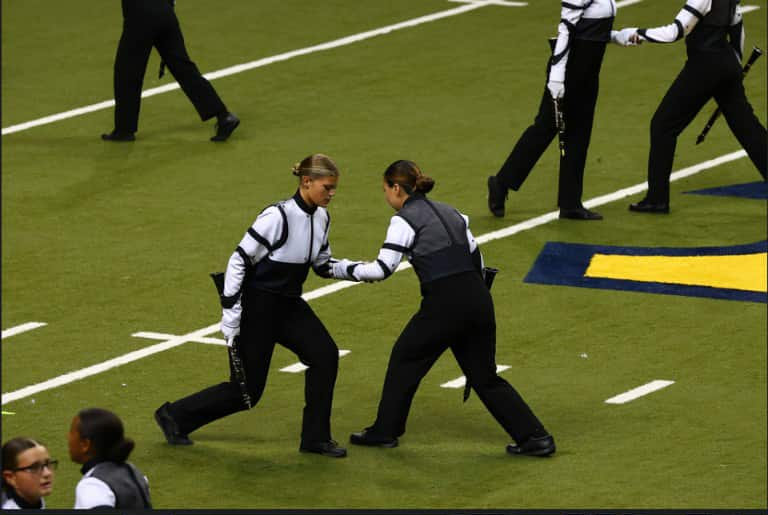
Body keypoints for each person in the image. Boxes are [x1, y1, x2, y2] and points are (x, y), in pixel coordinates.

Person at [331, 160, 555, 456]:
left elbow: (382, 269)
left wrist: (339, 268)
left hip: (444, 304)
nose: (385, 195)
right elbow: (478, 261)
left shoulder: (404, 220)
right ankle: (536, 437)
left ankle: (385, 431)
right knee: (485, 377)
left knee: (405, 358)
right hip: (478, 299)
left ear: (396, 188)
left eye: (385, 189)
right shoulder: (454, 213)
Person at [154, 153, 347, 458]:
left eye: (334, 188)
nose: (332, 194)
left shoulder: (322, 217)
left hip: (289, 305)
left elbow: (322, 265)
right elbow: (238, 260)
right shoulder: (276, 217)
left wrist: (361, 271)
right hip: (257, 307)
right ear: (306, 182)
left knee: (324, 355)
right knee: (246, 392)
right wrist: (231, 313)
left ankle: (315, 438)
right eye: (327, 187)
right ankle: (174, 416)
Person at [486, 0, 638, 220]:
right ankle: (501, 183)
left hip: (589, 73)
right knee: (545, 128)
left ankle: (570, 203)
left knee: (580, 134)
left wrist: (618, 36)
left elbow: (590, 30)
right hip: (569, 71)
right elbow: (566, 29)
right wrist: (557, 78)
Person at [623, 0, 767, 214]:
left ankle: (657, 199)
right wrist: (734, 66)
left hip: (703, 66)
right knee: (748, 129)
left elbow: (676, 32)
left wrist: (638, 33)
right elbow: (737, 28)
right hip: (726, 63)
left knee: (663, 125)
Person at [101, 0, 239, 142]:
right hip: (166, 11)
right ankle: (223, 116)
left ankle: (124, 130)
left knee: (127, 71)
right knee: (184, 68)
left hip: (140, 13)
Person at [68, 408, 151, 509]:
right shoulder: (133, 472)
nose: (68, 436)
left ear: (85, 444)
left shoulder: (94, 486)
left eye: (71, 432)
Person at [1, 438, 56, 509]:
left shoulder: (33, 498)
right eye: (34, 468)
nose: (47, 473)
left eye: (48, 464)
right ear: (10, 477)